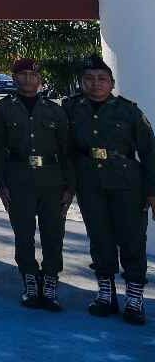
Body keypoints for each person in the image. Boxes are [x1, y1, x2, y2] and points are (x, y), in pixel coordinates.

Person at [64, 56, 155, 325]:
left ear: (112, 83)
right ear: (82, 83)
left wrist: (152, 192)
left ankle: (135, 298)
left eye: (101, 79)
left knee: (131, 240)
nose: (95, 84)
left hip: (127, 184)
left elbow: (149, 153)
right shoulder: (71, 109)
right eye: (89, 79)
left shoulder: (129, 111)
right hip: (90, 183)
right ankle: (106, 294)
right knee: (100, 239)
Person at [0, 59, 74, 311]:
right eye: (22, 74)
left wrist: (70, 186)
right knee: (23, 234)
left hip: (52, 180)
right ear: (14, 77)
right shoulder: (3, 109)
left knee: (53, 234)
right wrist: (1, 183)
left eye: (32, 74)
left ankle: (49, 281)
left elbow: (66, 150)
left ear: (40, 79)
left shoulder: (55, 110)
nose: (28, 79)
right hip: (18, 179)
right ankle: (29, 279)